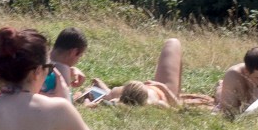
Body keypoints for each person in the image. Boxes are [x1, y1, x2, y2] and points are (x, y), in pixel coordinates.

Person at [76, 38, 214, 109]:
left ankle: (103, 89)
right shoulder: (156, 104)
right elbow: (177, 106)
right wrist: (162, 87)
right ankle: (103, 89)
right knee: (173, 43)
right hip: (164, 89)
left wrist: (88, 100)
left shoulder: (119, 98)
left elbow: (105, 102)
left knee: (110, 93)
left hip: (125, 94)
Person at [41, 27, 88, 101]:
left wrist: (72, 70)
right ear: (74, 52)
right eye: (79, 56)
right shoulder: (62, 71)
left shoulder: (40, 58)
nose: (77, 61)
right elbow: (64, 103)